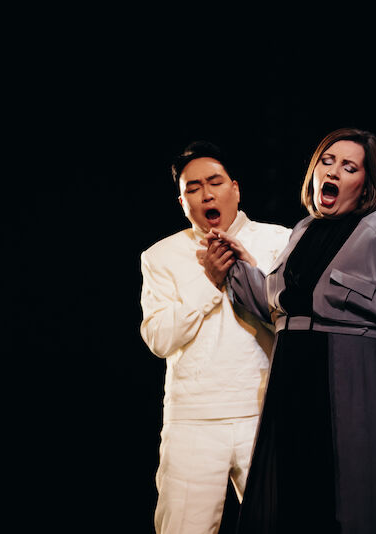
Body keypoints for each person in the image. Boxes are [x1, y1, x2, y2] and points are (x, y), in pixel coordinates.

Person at [203, 128, 376, 534]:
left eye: (349, 167)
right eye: (327, 161)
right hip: (293, 382)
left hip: (356, 381)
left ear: (366, 184)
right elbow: (276, 305)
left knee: (352, 504)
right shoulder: (302, 230)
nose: (332, 172)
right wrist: (230, 269)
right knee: (295, 505)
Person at [139, 141, 290, 534]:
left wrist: (251, 273)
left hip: (263, 411)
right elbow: (159, 338)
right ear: (182, 202)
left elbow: (295, 318)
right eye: (193, 188)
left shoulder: (280, 240)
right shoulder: (160, 256)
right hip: (193, 420)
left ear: (235, 189)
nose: (206, 194)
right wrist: (209, 282)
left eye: (215, 182)